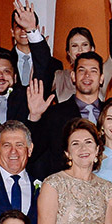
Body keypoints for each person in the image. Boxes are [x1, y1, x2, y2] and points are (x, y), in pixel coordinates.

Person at [29, 50, 104, 180]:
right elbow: (33, 153)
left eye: (93, 71)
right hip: (66, 188)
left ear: (101, 78)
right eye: (82, 70)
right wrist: (34, 117)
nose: (87, 75)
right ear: (73, 76)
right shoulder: (55, 114)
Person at [52, 26, 112, 104]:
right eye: (74, 46)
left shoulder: (100, 71)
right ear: (68, 52)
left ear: (92, 49)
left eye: (85, 45)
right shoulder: (60, 76)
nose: (80, 49)